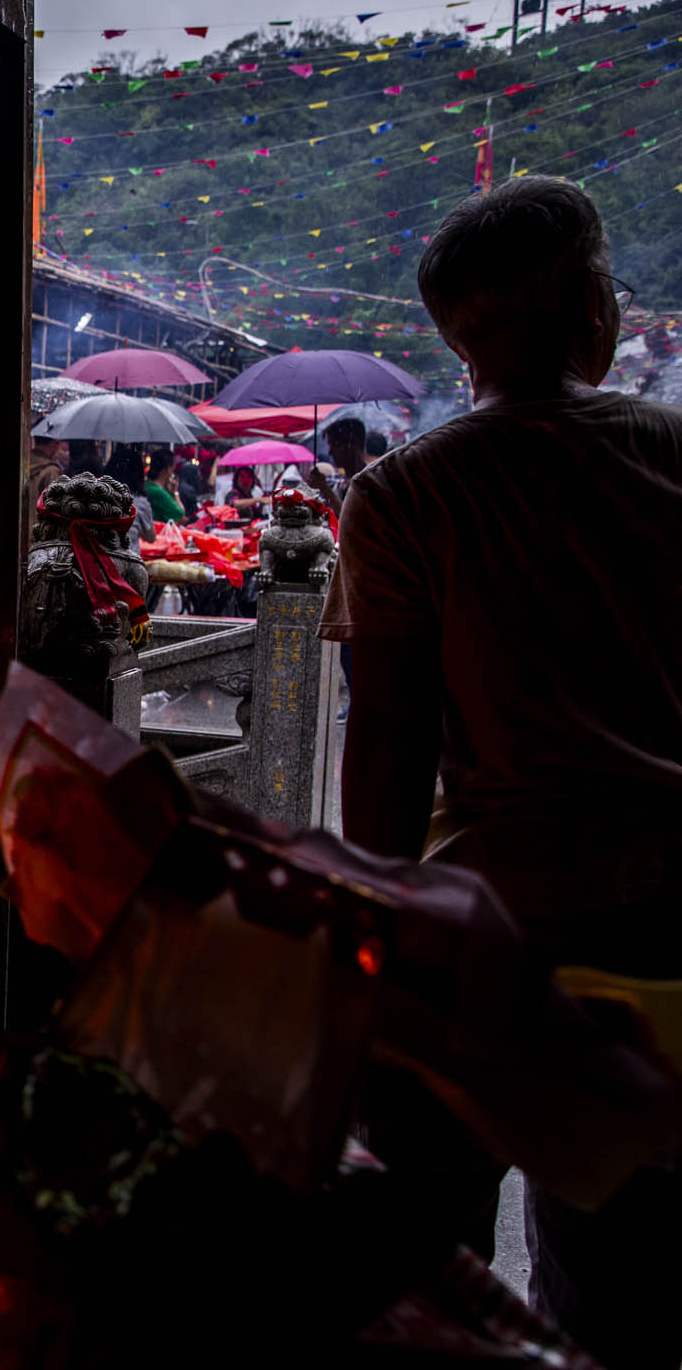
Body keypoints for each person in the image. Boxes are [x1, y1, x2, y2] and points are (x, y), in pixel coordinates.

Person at [321, 176, 681, 1370]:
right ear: (594, 308)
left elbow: (387, 749)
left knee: (435, 1276)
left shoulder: (406, 494)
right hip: (659, 931)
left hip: (475, 932)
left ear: (455, 339)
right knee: (628, 1276)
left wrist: (361, 950)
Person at [306, 416, 372, 515]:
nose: (330, 452)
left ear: (352, 445)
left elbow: (351, 518)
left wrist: (325, 490)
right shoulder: (342, 481)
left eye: (335, 445)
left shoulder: (366, 481)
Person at [102, 446, 154, 550]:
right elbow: (151, 537)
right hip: (129, 561)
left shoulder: (100, 497)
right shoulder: (139, 502)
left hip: (101, 560)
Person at [26, 435, 68, 539]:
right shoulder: (51, 471)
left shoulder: (23, 462)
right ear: (54, 443)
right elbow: (55, 507)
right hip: (40, 536)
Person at [143, 451, 185, 528]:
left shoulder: (147, 486)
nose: (173, 472)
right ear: (168, 469)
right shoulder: (158, 492)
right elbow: (181, 517)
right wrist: (175, 493)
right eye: (173, 468)